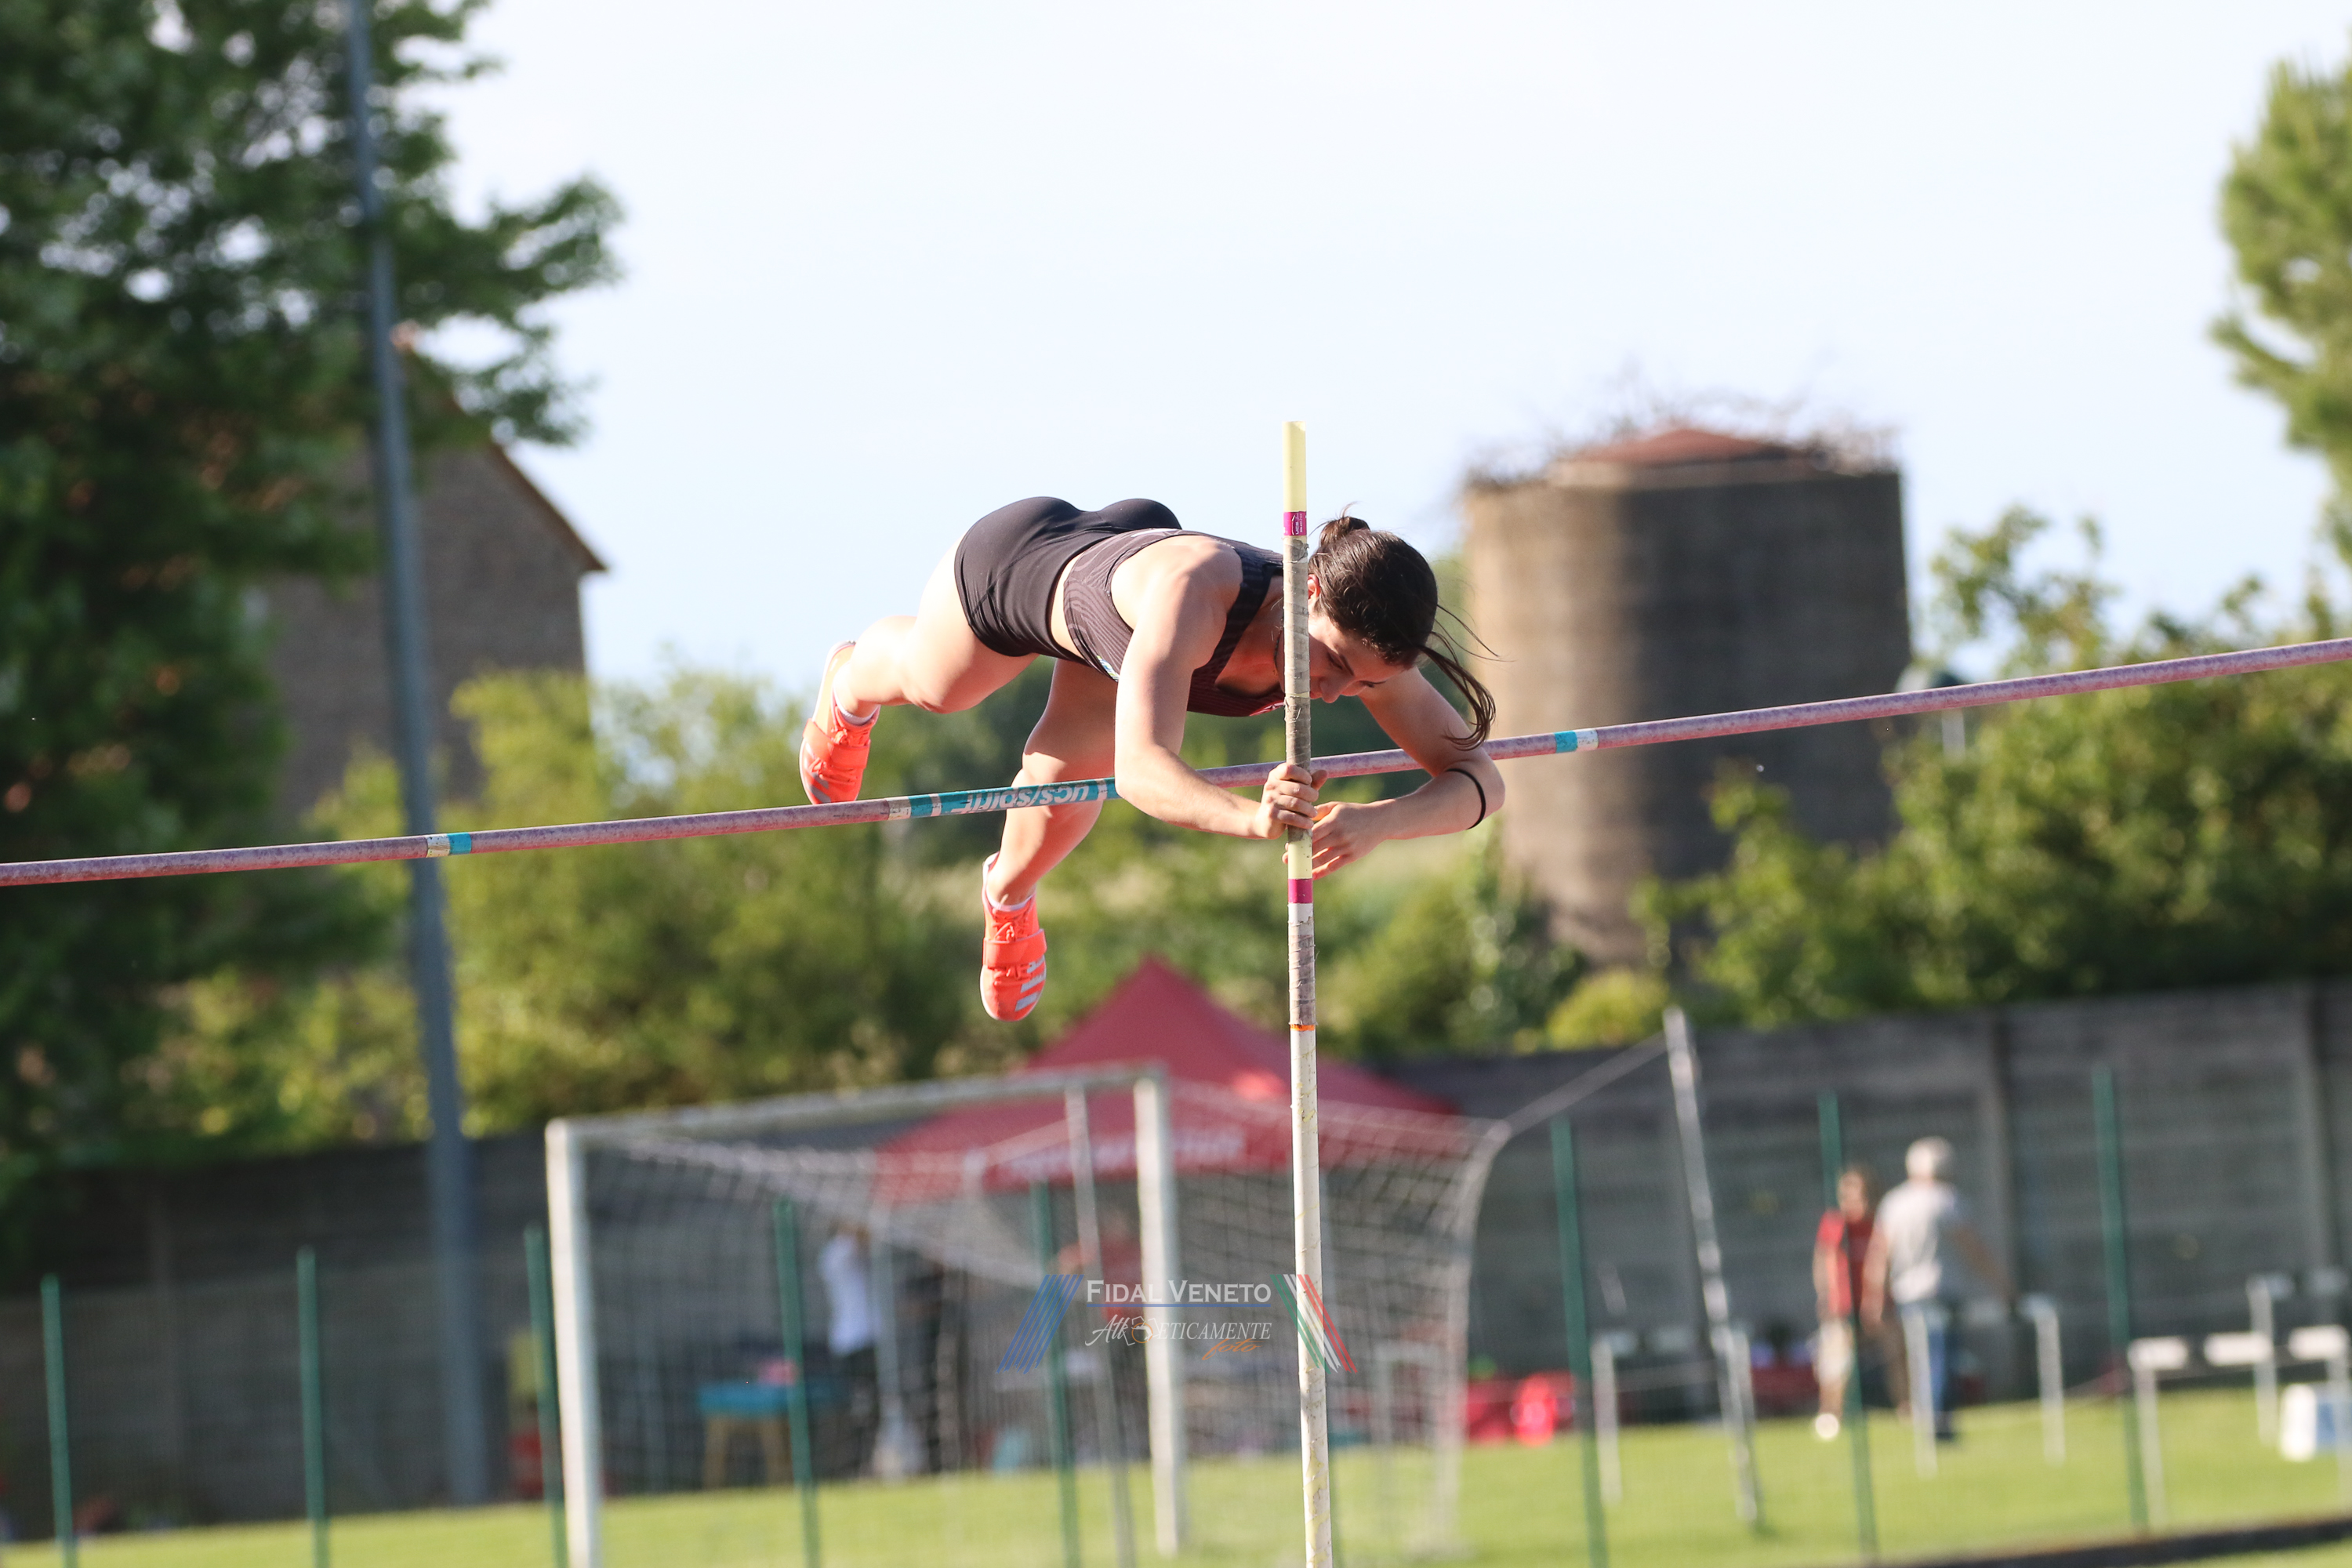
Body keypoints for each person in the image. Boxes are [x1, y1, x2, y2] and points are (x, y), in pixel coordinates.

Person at [800, 497, 1504, 1021]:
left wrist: (1380, 822)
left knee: (1068, 777)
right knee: (939, 688)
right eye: (1333, 664)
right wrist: (1251, 819)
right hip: (1026, 563)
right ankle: (850, 683)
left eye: (1365, 684)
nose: (1336, 693)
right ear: (1310, 593)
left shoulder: (1364, 650)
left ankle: (1007, 895)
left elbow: (1481, 782)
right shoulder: (1197, 594)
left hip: (1114, 621)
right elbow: (1142, 770)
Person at [1863, 1138, 2011, 1439]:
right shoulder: (1946, 1199)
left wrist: (1874, 1296)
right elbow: (1973, 1249)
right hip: (1941, 1292)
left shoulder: (1894, 1202)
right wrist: (2003, 1286)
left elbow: (1879, 1254)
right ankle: (1938, 1424)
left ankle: (1928, 1419)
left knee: (1921, 1359)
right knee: (1940, 1359)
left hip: (1906, 1295)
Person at [1811, 1164, 1876, 1440]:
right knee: (1837, 1361)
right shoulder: (1835, 1222)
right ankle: (1830, 1412)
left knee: (1896, 1350)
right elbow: (1823, 1260)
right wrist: (1825, 1296)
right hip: (1842, 1305)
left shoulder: (1875, 1222)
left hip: (1873, 1303)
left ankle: (1905, 1407)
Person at [818, 1223, 880, 1474]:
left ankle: (866, 1462)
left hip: (864, 1340)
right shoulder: (838, 1252)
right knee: (861, 1407)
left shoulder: (847, 1251)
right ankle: (855, 1465)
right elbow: (863, 1238)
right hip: (854, 1343)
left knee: (871, 1407)